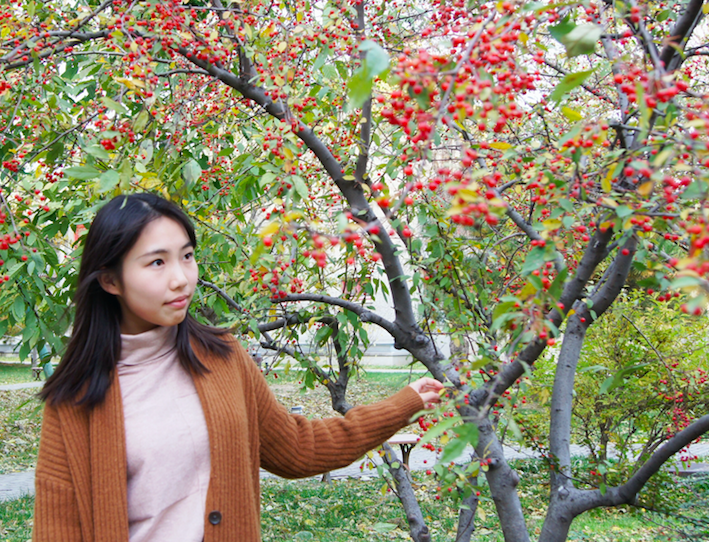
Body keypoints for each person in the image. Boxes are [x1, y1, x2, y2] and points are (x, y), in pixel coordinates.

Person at [33, 193, 443, 542]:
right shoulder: (75, 398)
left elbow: (298, 448)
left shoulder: (222, 357)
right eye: (157, 263)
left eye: (187, 256)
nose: (181, 279)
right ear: (110, 281)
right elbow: (57, 529)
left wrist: (403, 404)